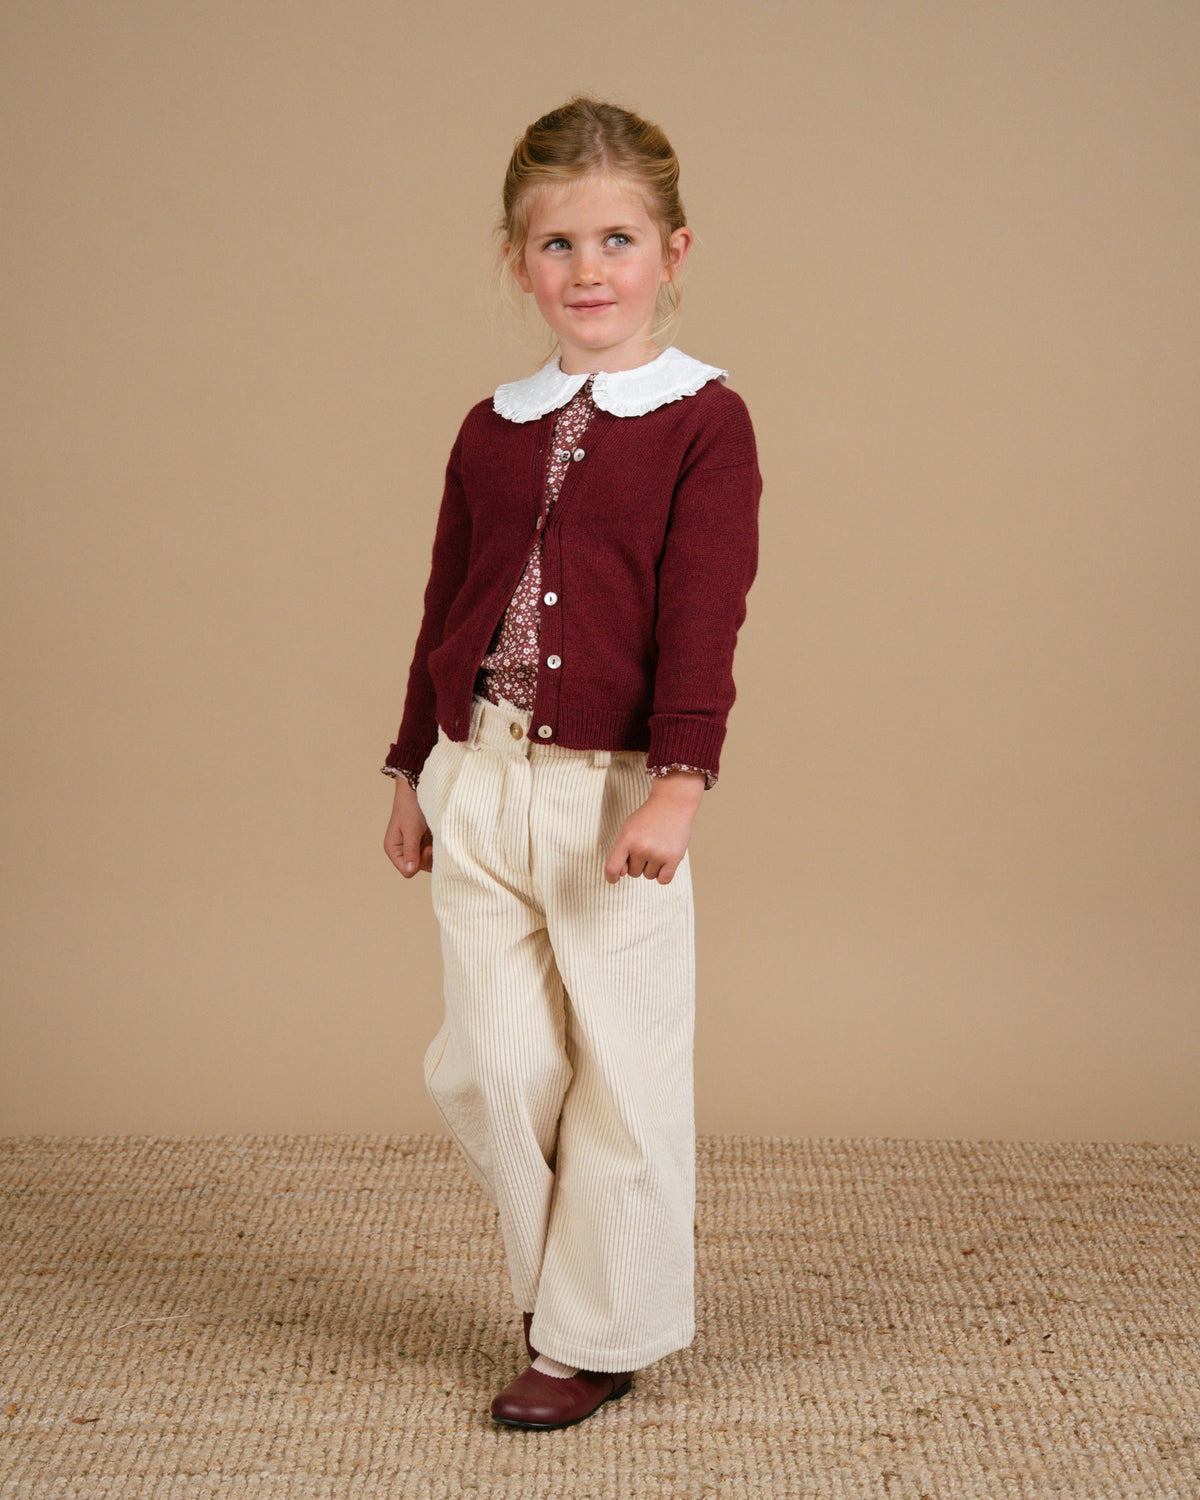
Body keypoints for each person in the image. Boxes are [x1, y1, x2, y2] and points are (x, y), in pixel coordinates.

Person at [381, 94, 763, 1431]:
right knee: (489, 1064)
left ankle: (590, 1333)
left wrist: (681, 779)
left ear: (674, 250)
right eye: (557, 245)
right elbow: (447, 596)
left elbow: (703, 605)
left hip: (615, 793)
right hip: (475, 777)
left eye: (617, 240)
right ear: (515, 257)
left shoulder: (703, 421)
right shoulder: (490, 424)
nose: (588, 271)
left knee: (628, 1066)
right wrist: (409, 766)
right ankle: (576, 1287)